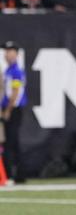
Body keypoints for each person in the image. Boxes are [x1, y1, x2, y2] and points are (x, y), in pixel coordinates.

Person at [1, 41, 26, 183]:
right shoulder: (8, 70)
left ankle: (11, 175)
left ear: (16, 54)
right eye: (6, 51)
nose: (8, 54)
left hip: (13, 110)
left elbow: (16, 92)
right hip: (9, 109)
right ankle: (18, 175)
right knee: (13, 142)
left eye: (11, 51)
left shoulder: (16, 70)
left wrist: (8, 110)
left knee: (10, 142)